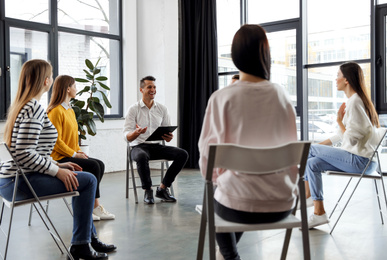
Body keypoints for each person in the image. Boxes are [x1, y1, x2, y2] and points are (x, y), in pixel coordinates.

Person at [198, 24, 298, 260]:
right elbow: (292, 154)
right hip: (282, 206)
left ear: (235, 55)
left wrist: (220, 178)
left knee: (220, 190)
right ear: (266, 54)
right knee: (234, 188)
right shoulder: (282, 95)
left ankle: (230, 256)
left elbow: (206, 161)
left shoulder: (221, 98)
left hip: (236, 208)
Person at [0, 59, 116, 260]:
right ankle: (82, 244)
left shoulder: (24, 105)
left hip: (14, 180)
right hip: (19, 182)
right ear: (45, 80)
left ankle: (89, 238)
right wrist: (57, 171)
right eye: (51, 75)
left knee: (84, 175)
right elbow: (24, 153)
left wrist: (58, 163)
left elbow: (30, 151)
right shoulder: (33, 108)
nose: (52, 79)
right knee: (88, 180)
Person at [303, 61, 382, 229]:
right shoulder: (355, 101)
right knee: (312, 162)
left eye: (337, 75)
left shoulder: (354, 102)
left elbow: (351, 139)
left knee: (307, 150)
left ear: (346, 80)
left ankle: (307, 196)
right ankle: (319, 213)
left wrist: (339, 121)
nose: (335, 79)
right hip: (363, 160)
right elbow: (341, 135)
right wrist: (319, 146)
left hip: (360, 161)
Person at [47, 75, 115, 221]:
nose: (76, 89)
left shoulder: (70, 110)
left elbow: (73, 137)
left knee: (99, 165)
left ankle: (93, 206)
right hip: (60, 158)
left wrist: (78, 151)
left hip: (71, 154)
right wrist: (74, 154)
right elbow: (56, 141)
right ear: (67, 89)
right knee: (93, 166)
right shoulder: (55, 111)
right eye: (75, 86)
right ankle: (92, 207)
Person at [123, 76, 189, 204]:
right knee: (141, 156)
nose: (153, 90)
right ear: (141, 90)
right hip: (138, 147)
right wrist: (136, 133)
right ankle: (148, 191)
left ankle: (163, 188)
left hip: (157, 146)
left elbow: (167, 135)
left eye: (154, 87)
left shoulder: (162, 109)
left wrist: (169, 137)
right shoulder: (133, 109)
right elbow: (126, 136)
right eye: (149, 87)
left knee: (183, 154)